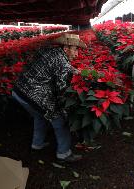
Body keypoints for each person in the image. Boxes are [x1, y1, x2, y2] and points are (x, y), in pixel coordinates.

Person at [12, 33, 87, 162]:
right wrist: (66, 110)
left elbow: (55, 66)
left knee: (40, 114)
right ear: (66, 49)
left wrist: (74, 71)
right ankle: (64, 154)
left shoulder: (52, 51)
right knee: (59, 120)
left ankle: (37, 144)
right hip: (33, 94)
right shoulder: (62, 62)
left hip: (18, 91)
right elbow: (61, 90)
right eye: (75, 49)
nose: (77, 54)